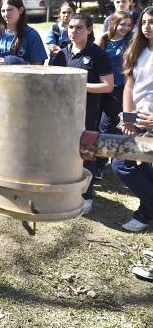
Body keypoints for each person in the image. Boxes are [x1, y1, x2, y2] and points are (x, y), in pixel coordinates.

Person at [50, 13, 113, 214]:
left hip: (87, 114)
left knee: (86, 154)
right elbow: (51, 80)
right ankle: (63, 190)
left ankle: (86, 195)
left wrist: (80, 86)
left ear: (89, 30)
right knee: (62, 151)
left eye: (79, 28)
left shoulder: (97, 54)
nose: (74, 31)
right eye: (70, 27)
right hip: (61, 114)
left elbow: (108, 86)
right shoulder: (61, 54)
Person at [114, 6, 153, 232]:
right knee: (120, 164)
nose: (148, 26)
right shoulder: (136, 50)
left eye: (152, 22)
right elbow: (129, 86)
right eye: (145, 22)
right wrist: (127, 116)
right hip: (135, 123)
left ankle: (145, 213)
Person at [96, 11, 134, 178]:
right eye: (122, 24)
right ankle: (100, 161)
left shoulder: (130, 41)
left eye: (128, 25)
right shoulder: (104, 40)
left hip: (119, 90)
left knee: (107, 126)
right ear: (113, 24)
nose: (125, 28)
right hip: (100, 88)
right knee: (97, 124)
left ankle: (98, 165)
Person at [0, 0, 47, 66]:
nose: (6, 14)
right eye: (3, 11)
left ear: (20, 10)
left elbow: (38, 65)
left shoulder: (31, 35)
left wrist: (13, 62)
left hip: (21, 77)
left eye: (10, 10)